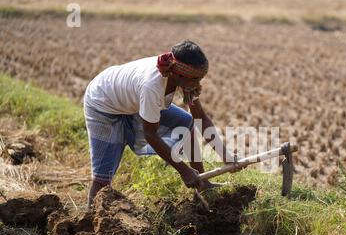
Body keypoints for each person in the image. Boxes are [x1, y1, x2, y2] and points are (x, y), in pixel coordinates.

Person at [83, 40, 235, 208]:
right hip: (103, 103)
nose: (198, 84)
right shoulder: (152, 86)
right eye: (195, 79)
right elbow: (150, 134)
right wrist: (184, 171)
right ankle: (89, 219)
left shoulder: (186, 79)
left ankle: (203, 184)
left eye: (200, 78)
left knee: (186, 122)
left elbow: (200, 118)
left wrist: (225, 156)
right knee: (103, 177)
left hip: (131, 100)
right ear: (177, 74)